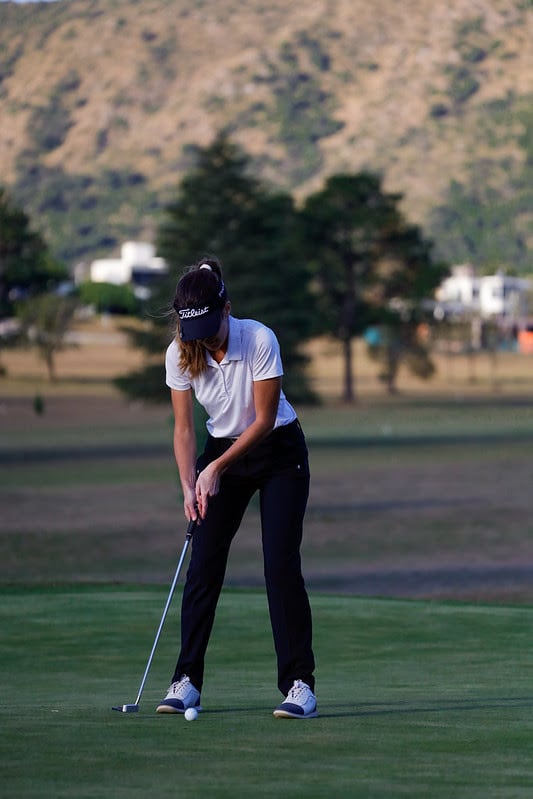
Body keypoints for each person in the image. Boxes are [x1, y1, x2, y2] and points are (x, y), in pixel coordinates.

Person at [156, 256, 317, 719]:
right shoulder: (179, 354)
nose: (207, 340)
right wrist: (190, 483)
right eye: (197, 332)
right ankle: (186, 680)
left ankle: (300, 685)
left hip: (278, 453)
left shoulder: (260, 339)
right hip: (220, 450)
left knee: (279, 566)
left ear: (228, 308)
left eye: (212, 326)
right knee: (203, 564)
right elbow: (185, 431)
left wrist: (217, 469)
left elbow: (263, 421)